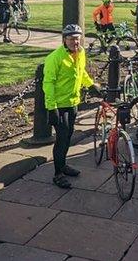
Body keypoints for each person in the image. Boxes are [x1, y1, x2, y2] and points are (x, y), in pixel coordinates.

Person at [43, 25, 101, 189]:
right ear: (64, 40)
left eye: (77, 38)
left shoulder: (81, 52)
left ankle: (63, 165)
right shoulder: (55, 58)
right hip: (59, 105)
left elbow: (81, 73)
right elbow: (48, 84)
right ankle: (57, 174)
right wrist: (51, 107)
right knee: (61, 139)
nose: (75, 41)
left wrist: (91, 85)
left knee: (68, 136)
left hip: (73, 102)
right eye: (71, 38)